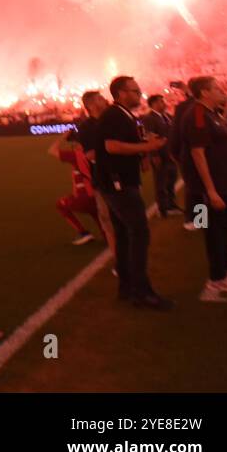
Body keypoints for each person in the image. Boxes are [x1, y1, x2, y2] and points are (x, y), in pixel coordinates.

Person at [96, 76, 171, 309]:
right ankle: (141, 291)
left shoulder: (124, 115)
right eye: (134, 91)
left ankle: (127, 288)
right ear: (120, 93)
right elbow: (112, 146)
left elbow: (122, 144)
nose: (140, 94)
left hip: (120, 182)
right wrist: (147, 147)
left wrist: (143, 151)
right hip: (118, 184)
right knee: (139, 233)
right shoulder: (114, 114)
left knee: (126, 235)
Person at [183, 77, 227, 299]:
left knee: (224, 227)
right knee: (213, 232)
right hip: (209, 189)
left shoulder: (210, 113)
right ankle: (217, 279)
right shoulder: (198, 115)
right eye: (216, 88)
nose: (221, 91)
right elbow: (197, 152)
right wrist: (210, 190)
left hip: (220, 185)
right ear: (204, 92)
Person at [77, 91, 115, 257]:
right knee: (109, 221)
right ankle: (119, 261)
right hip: (103, 179)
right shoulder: (86, 127)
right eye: (100, 99)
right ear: (91, 105)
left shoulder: (114, 119)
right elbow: (90, 155)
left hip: (125, 177)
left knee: (128, 221)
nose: (105, 99)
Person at [48, 131, 103, 244]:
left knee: (60, 205)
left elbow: (52, 150)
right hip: (99, 197)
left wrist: (64, 136)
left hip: (83, 198)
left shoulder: (76, 155)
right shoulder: (98, 153)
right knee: (101, 221)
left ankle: (83, 233)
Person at [168, 82, 202, 230]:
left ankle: (196, 220)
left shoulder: (184, 107)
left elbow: (175, 134)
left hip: (187, 153)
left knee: (194, 187)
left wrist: (175, 152)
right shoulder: (199, 107)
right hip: (198, 153)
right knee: (199, 189)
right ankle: (199, 221)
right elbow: (200, 133)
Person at [141, 94, 179, 216]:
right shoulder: (149, 118)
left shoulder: (166, 116)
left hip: (170, 154)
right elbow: (150, 137)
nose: (163, 103)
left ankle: (171, 205)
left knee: (171, 180)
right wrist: (154, 154)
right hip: (160, 155)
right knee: (161, 183)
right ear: (153, 104)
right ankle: (163, 209)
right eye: (160, 101)